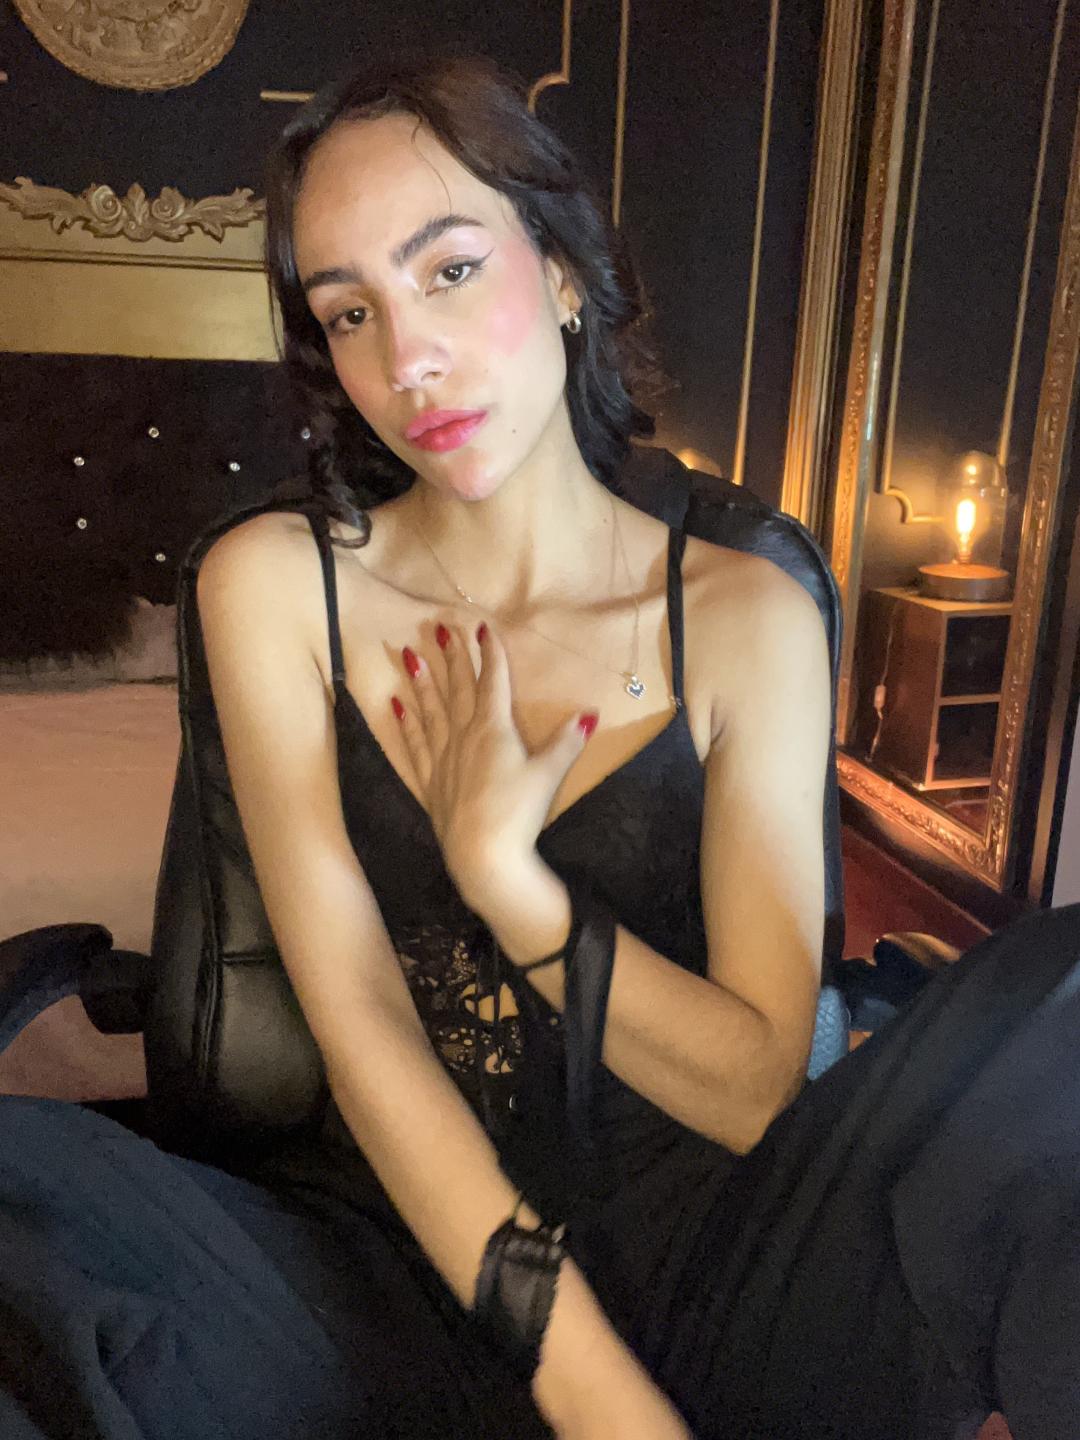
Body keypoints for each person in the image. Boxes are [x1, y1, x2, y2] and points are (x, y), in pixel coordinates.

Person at [1, 49, 1078, 1440]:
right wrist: (603, 1406)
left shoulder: (746, 613)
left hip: (718, 1266)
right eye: (350, 311)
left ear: (564, 272)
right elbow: (362, 1022)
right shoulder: (276, 586)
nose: (408, 359)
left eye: (450, 270)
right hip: (389, 1272)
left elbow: (757, 1089)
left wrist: (517, 897)